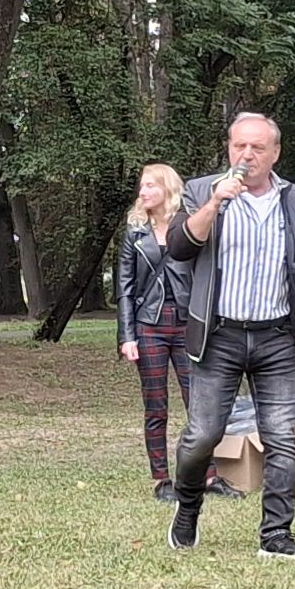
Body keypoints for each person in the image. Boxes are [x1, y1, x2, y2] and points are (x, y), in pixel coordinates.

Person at [161, 112, 295, 559]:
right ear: (228, 149)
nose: (247, 155)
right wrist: (215, 203)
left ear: (275, 153)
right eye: (239, 146)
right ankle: (187, 506)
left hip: (277, 336)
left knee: (281, 436)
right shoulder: (201, 191)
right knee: (203, 435)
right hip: (219, 336)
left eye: (257, 147)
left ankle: (276, 534)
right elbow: (179, 247)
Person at [115, 163, 196, 498]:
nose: (143, 191)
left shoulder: (189, 226)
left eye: (151, 185)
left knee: (199, 403)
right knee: (156, 404)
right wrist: (127, 336)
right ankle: (161, 479)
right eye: (142, 186)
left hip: (188, 323)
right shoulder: (135, 232)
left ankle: (207, 475)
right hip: (149, 325)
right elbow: (124, 287)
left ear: (167, 189)